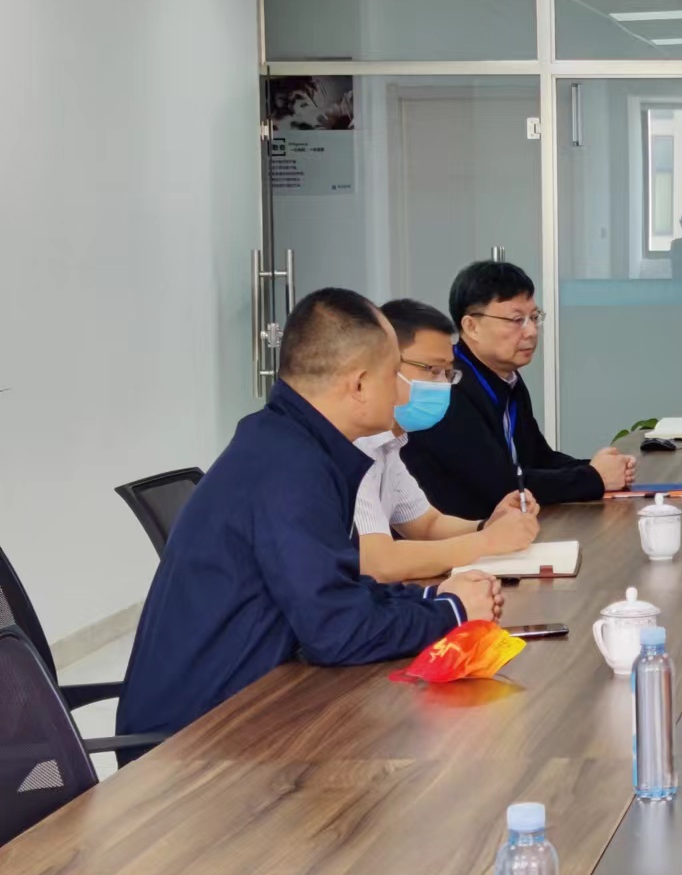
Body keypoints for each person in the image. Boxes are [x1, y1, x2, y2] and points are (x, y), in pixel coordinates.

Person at [118, 289, 500, 740]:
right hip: (197, 742)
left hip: (247, 706)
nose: (401, 391)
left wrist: (432, 599)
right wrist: (452, 612)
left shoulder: (290, 443)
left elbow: (339, 588)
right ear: (359, 385)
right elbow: (337, 632)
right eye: (392, 375)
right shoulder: (289, 468)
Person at [402, 260, 635, 519]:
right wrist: (593, 477)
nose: (532, 331)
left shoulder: (507, 378)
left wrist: (602, 468)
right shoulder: (447, 386)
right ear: (471, 326)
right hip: (460, 535)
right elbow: (498, 485)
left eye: (534, 318)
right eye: (516, 320)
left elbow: (538, 459)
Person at [352, 299, 542, 583]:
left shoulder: (389, 444)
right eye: (431, 369)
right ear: (386, 365)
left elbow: (427, 525)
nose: (442, 384)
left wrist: (488, 525)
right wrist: (487, 542)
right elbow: (379, 563)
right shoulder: (355, 445)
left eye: (447, 372)